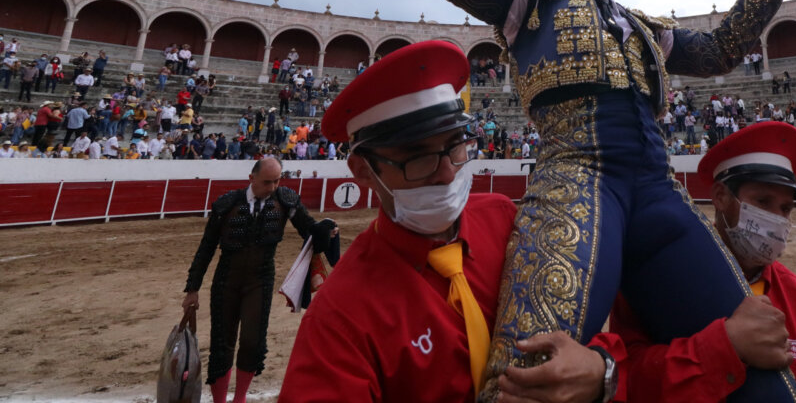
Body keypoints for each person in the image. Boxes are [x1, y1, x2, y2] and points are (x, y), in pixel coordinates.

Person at [414, 0, 796, 402]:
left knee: (756, 355)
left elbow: (722, 52)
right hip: (574, 179)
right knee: (528, 374)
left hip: (657, 191)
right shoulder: (529, 2)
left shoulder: (650, 30)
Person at [281, 41, 610, 403]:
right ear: (363, 170)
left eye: (455, 145)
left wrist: (602, 369)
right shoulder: (340, 316)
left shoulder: (503, 217)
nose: (447, 172)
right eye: (418, 157)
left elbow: (578, 321)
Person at [608, 121, 796, 402]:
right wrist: (726, 347)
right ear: (721, 197)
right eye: (762, 201)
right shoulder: (655, 277)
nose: (776, 220)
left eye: (785, 208)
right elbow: (622, 381)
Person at [183, 157, 336, 403]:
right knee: (222, 343)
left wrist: (325, 230)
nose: (273, 187)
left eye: (277, 181)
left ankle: (240, 399)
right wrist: (192, 288)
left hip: (261, 280)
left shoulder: (285, 201)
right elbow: (207, 247)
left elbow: (308, 230)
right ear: (251, 178)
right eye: (267, 182)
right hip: (226, 281)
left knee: (252, 342)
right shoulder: (227, 204)